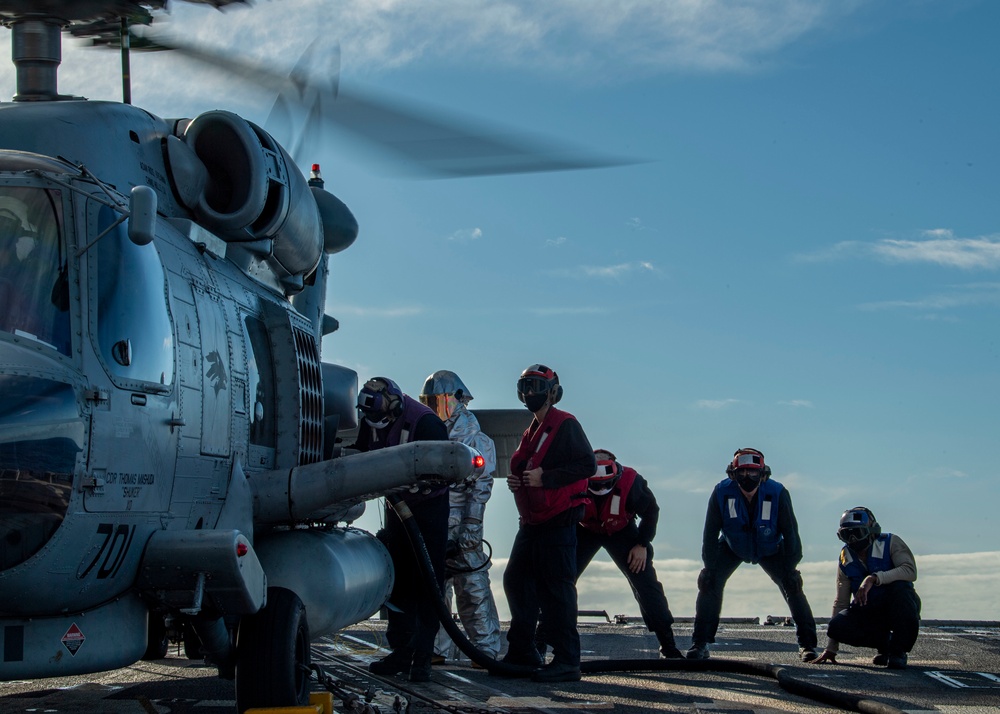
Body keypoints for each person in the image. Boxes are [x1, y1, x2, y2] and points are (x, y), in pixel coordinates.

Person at [353, 377, 451, 682]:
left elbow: (444, 471)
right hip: (396, 509)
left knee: (428, 581)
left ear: (394, 406)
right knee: (398, 579)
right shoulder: (370, 420)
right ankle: (401, 649)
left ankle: (422, 654)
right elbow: (361, 454)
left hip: (428, 510)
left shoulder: (426, 423)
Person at [503, 364, 596, 683]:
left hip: (558, 520)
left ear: (552, 392)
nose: (530, 392)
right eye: (525, 386)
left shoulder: (565, 424)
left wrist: (547, 478)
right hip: (532, 522)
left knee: (556, 590)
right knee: (516, 580)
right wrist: (520, 482)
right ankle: (523, 650)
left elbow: (587, 464)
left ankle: (568, 659)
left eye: (536, 387)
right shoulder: (533, 429)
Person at [686, 447, 819, 662]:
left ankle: (808, 645)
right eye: (742, 473)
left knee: (792, 585)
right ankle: (700, 643)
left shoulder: (778, 493)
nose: (747, 478)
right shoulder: (721, 492)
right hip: (732, 546)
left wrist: (792, 565)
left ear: (763, 474)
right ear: (733, 474)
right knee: (709, 583)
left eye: (753, 473)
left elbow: (791, 532)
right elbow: (710, 533)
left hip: (771, 548)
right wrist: (708, 566)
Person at [420, 370, 502, 663]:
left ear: (457, 400)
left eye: (440, 401)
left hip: (462, 524)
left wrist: (471, 524)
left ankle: (486, 651)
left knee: (471, 588)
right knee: (434, 588)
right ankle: (435, 649)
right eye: (429, 402)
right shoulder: (428, 432)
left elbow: (481, 485)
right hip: (434, 520)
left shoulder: (475, 439)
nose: (435, 408)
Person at [575, 449, 683, 658]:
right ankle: (543, 642)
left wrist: (642, 544)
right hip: (584, 529)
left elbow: (651, 511)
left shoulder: (631, 482)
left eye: (606, 485)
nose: (601, 489)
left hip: (621, 530)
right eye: (596, 485)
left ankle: (668, 645)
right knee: (560, 580)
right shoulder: (573, 478)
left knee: (645, 582)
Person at [813, 507, 921, 669]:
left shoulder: (890, 543)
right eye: (847, 534)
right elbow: (841, 601)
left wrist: (874, 578)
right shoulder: (846, 558)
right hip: (869, 610)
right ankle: (886, 645)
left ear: (871, 531)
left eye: (858, 533)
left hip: (895, 605)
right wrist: (831, 647)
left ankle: (898, 651)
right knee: (836, 626)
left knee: (902, 590)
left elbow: (909, 571)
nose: (853, 539)